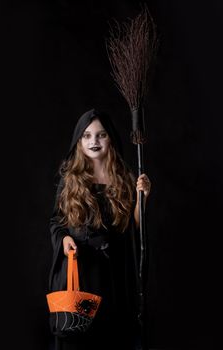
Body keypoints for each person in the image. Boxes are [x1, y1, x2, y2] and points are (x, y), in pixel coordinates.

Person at [48, 108, 151, 350]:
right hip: (82, 274)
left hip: (113, 277)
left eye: (101, 135)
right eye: (87, 135)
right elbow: (56, 222)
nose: (94, 141)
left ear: (110, 139)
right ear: (79, 140)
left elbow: (131, 229)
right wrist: (63, 240)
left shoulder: (124, 178)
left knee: (112, 337)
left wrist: (142, 199)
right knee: (82, 339)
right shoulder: (70, 178)